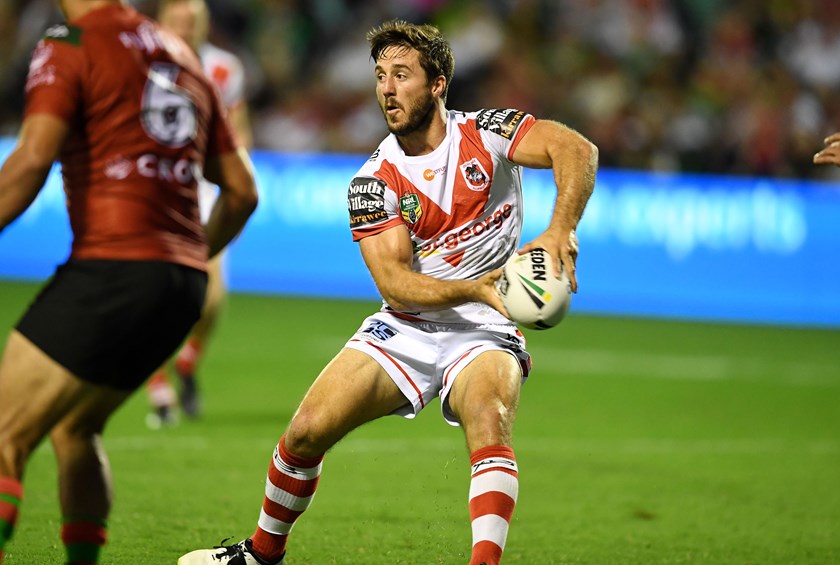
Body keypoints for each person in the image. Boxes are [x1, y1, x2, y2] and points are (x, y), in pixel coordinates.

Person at [179, 18, 597, 565]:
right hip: (406, 324)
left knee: (488, 418)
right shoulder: (374, 179)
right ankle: (260, 554)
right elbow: (394, 283)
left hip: (486, 328)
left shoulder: (489, 131)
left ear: (438, 84)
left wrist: (561, 226)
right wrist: (479, 285)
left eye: (402, 75)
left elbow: (577, 149)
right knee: (303, 435)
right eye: (380, 76)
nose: (387, 89)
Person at [0, 1, 257, 563]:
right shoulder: (184, 55)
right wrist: (188, 256)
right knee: (76, 427)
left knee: (4, 435)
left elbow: (31, 160)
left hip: (114, 268)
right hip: (182, 285)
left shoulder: (70, 43)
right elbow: (243, 191)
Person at [146, 0, 254, 426]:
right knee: (154, 286)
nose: (185, 27)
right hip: (158, 184)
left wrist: (237, 170)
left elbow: (238, 125)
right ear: (161, 22)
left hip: (207, 186)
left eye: (192, 20)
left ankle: (187, 360)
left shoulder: (224, 68)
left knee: (210, 296)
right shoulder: (143, 61)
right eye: (177, 19)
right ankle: (158, 387)